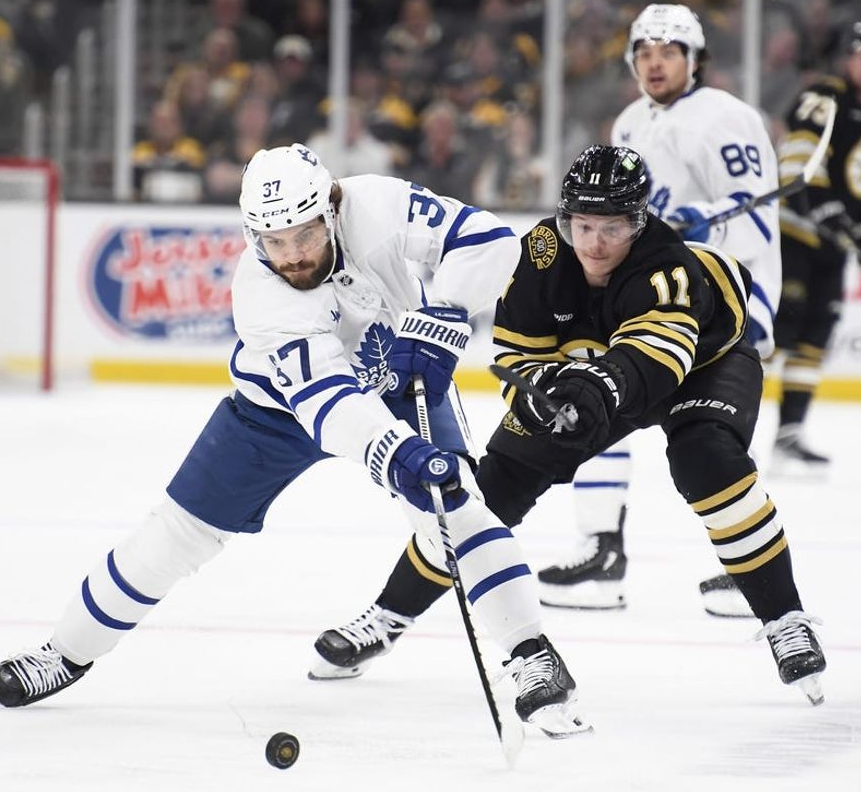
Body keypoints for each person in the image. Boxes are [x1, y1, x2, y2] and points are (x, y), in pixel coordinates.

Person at [0, 144, 590, 738]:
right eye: (275, 242)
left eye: (304, 234)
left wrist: (442, 316)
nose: (292, 255)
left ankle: (530, 655)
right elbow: (331, 407)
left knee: (456, 505)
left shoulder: (373, 203)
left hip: (400, 377)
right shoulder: (262, 299)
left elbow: (489, 241)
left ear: (331, 207)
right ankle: (64, 652)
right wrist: (399, 454)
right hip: (275, 414)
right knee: (171, 539)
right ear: (253, 237)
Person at [310, 145, 827, 707]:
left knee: (707, 462)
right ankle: (388, 616)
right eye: (582, 225)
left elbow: (658, 359)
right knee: (490, 493)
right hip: (594, 380)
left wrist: (592, 386)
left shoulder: (665, 265)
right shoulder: (541, 253)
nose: (594, 243)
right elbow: (515, 351)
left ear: (639, 222)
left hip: (705, 365)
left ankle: (785, 619)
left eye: (612, 227)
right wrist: (535, 396)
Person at [532, 2, 783, 617]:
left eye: (668, 52)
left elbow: (754, 198)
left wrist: (708, 224)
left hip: (726, 296)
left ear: (694, 60)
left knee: (706, 436)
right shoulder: (628, 124)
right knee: (596, 394)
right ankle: (601, 550)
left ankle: (745, 566)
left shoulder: (726, 117)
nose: (655, 63)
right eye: (644, 53)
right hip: (655, 298)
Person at [772, 21, 861, 470]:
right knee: (778, 333)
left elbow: (858, 184)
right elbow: (796, 162)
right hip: (794, 236)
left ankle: (789, 435)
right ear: (845, 59)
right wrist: (820, 207)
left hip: (831, 245)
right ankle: (725, 426)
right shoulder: (824, 96)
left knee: (815, 337)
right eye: (860, 56)